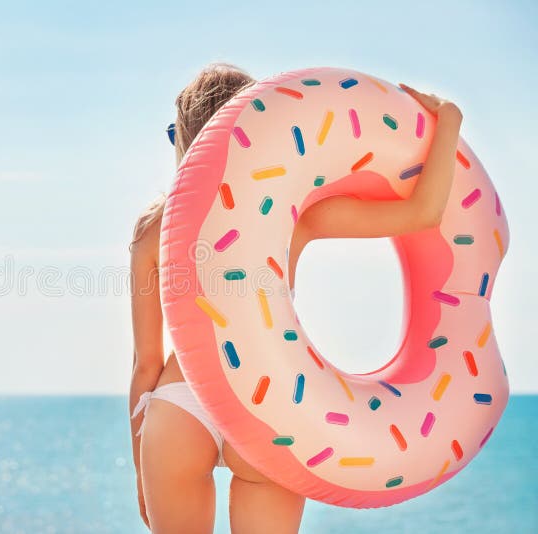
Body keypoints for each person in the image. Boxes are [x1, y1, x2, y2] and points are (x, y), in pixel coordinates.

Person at [129, 62, 463, 533]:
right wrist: (448, 119)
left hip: (178, 406)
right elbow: (424, 213)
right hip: (270, 408)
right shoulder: (294, 216)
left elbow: (145, 364)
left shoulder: (152, 233)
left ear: (183, 140)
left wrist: (141, 471)